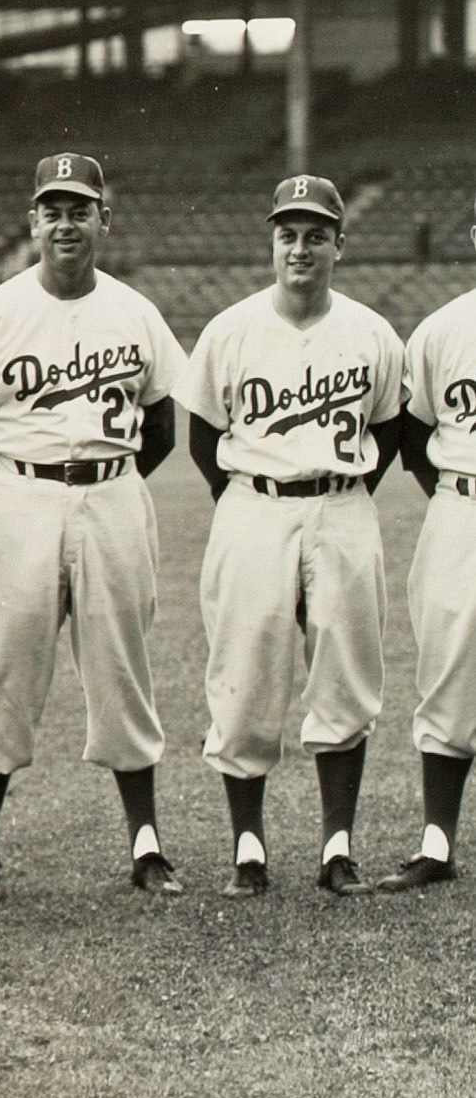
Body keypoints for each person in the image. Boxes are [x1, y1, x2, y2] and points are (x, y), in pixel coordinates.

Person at [0, 152, 189, 898]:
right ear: (33, 221)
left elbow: (164, 424)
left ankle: (145, 844)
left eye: (80, 209)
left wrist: (105, 485)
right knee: (3, 667)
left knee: (123, 667)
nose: (66, 222)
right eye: (53, 209)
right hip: (20, 496)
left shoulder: (135, 311)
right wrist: (18, 491)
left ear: (103, 220)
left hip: (112, 492)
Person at [179, 174, 404, 896]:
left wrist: (336, 492)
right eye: (288, 233)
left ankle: (337, 846)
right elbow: (202, 434)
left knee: (345, 672)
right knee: (243, 674)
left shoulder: (372, 332)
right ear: (272, 242)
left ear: (340, 243)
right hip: (254, 505)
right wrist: (250, 498)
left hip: (342, 503)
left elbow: (390, 429)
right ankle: (249, 846)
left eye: (315, 234)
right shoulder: (230, 329)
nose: (300, 247)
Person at [386, 193, 476, 889]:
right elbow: (413, 440)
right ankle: (438, 843)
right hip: (463, 506)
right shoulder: (442, 330)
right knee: (448, 671)